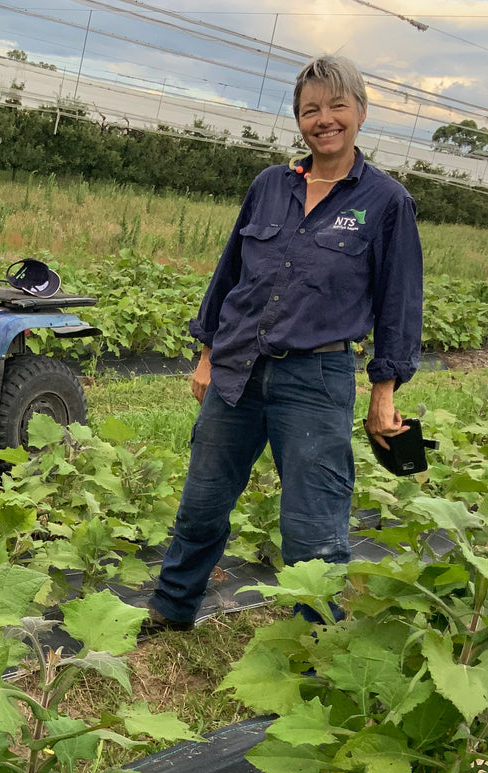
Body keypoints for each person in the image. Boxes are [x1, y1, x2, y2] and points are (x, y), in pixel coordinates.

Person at [145, 54, 422, 633]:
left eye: (336, 106)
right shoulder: (270, 186)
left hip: (316, 381)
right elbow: (229, 277)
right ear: (299, 120)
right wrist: (206, 353)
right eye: (310, 110)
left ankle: (316, 641)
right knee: (201, 505)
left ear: (361, 113)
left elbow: (399, 301)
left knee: (313, 525)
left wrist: (384, 392)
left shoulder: (385, 201)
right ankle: (171, 612)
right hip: (237, 370)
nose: (324, 119)